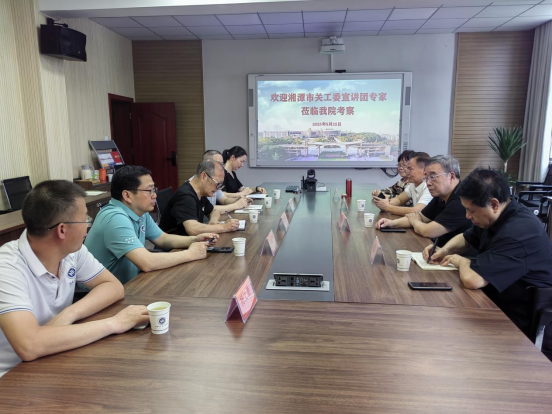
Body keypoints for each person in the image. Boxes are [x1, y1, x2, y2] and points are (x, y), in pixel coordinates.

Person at [0, 180, 149, 377]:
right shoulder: (7, 268)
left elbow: (113, 286)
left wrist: (68, 314)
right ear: (62, 230)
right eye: (85, 219)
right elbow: (29, 345)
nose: (88, 225)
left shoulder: (72, 251)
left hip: (56, 354)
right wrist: (115, 323)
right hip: (13, 375)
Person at [424, 168, 552, 343]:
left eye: (471, 211)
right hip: (497, 298)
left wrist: (461, 261)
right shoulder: (498, 216)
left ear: (494, 204)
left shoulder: (519, 231)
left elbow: (473, 280)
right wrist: (444, 250)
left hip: (520, 318)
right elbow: (466, 238)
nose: (467, 216)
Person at [85, 166, 216, 285]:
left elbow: (163, 239)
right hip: (102, 294)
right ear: (127, 195)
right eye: (149, 190)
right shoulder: (115, 218)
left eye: (154, 190)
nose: (155, 195)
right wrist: (191, 254)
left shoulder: (139, 212)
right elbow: (146, 262)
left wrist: (195, 239)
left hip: (131, 284)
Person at [376, 155, 472, 247]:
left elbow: (428, 231)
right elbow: (421, 216)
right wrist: (391, 223)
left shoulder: (461, 200)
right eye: (426, 178)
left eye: (433, 177)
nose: (428, 183)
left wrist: (414, 221)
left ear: (451, 176)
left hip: (458, 255)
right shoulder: (441, 196)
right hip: (440, 249)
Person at [159, 160, 241, 237]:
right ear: (203, 176)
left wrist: (213, 222)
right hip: (176, 245)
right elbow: (192, 229)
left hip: (193, 241)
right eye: (217, 184)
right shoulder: (186, 196)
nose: (218, 189)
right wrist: (224, 227)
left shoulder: (200, 193)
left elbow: (213, 211)